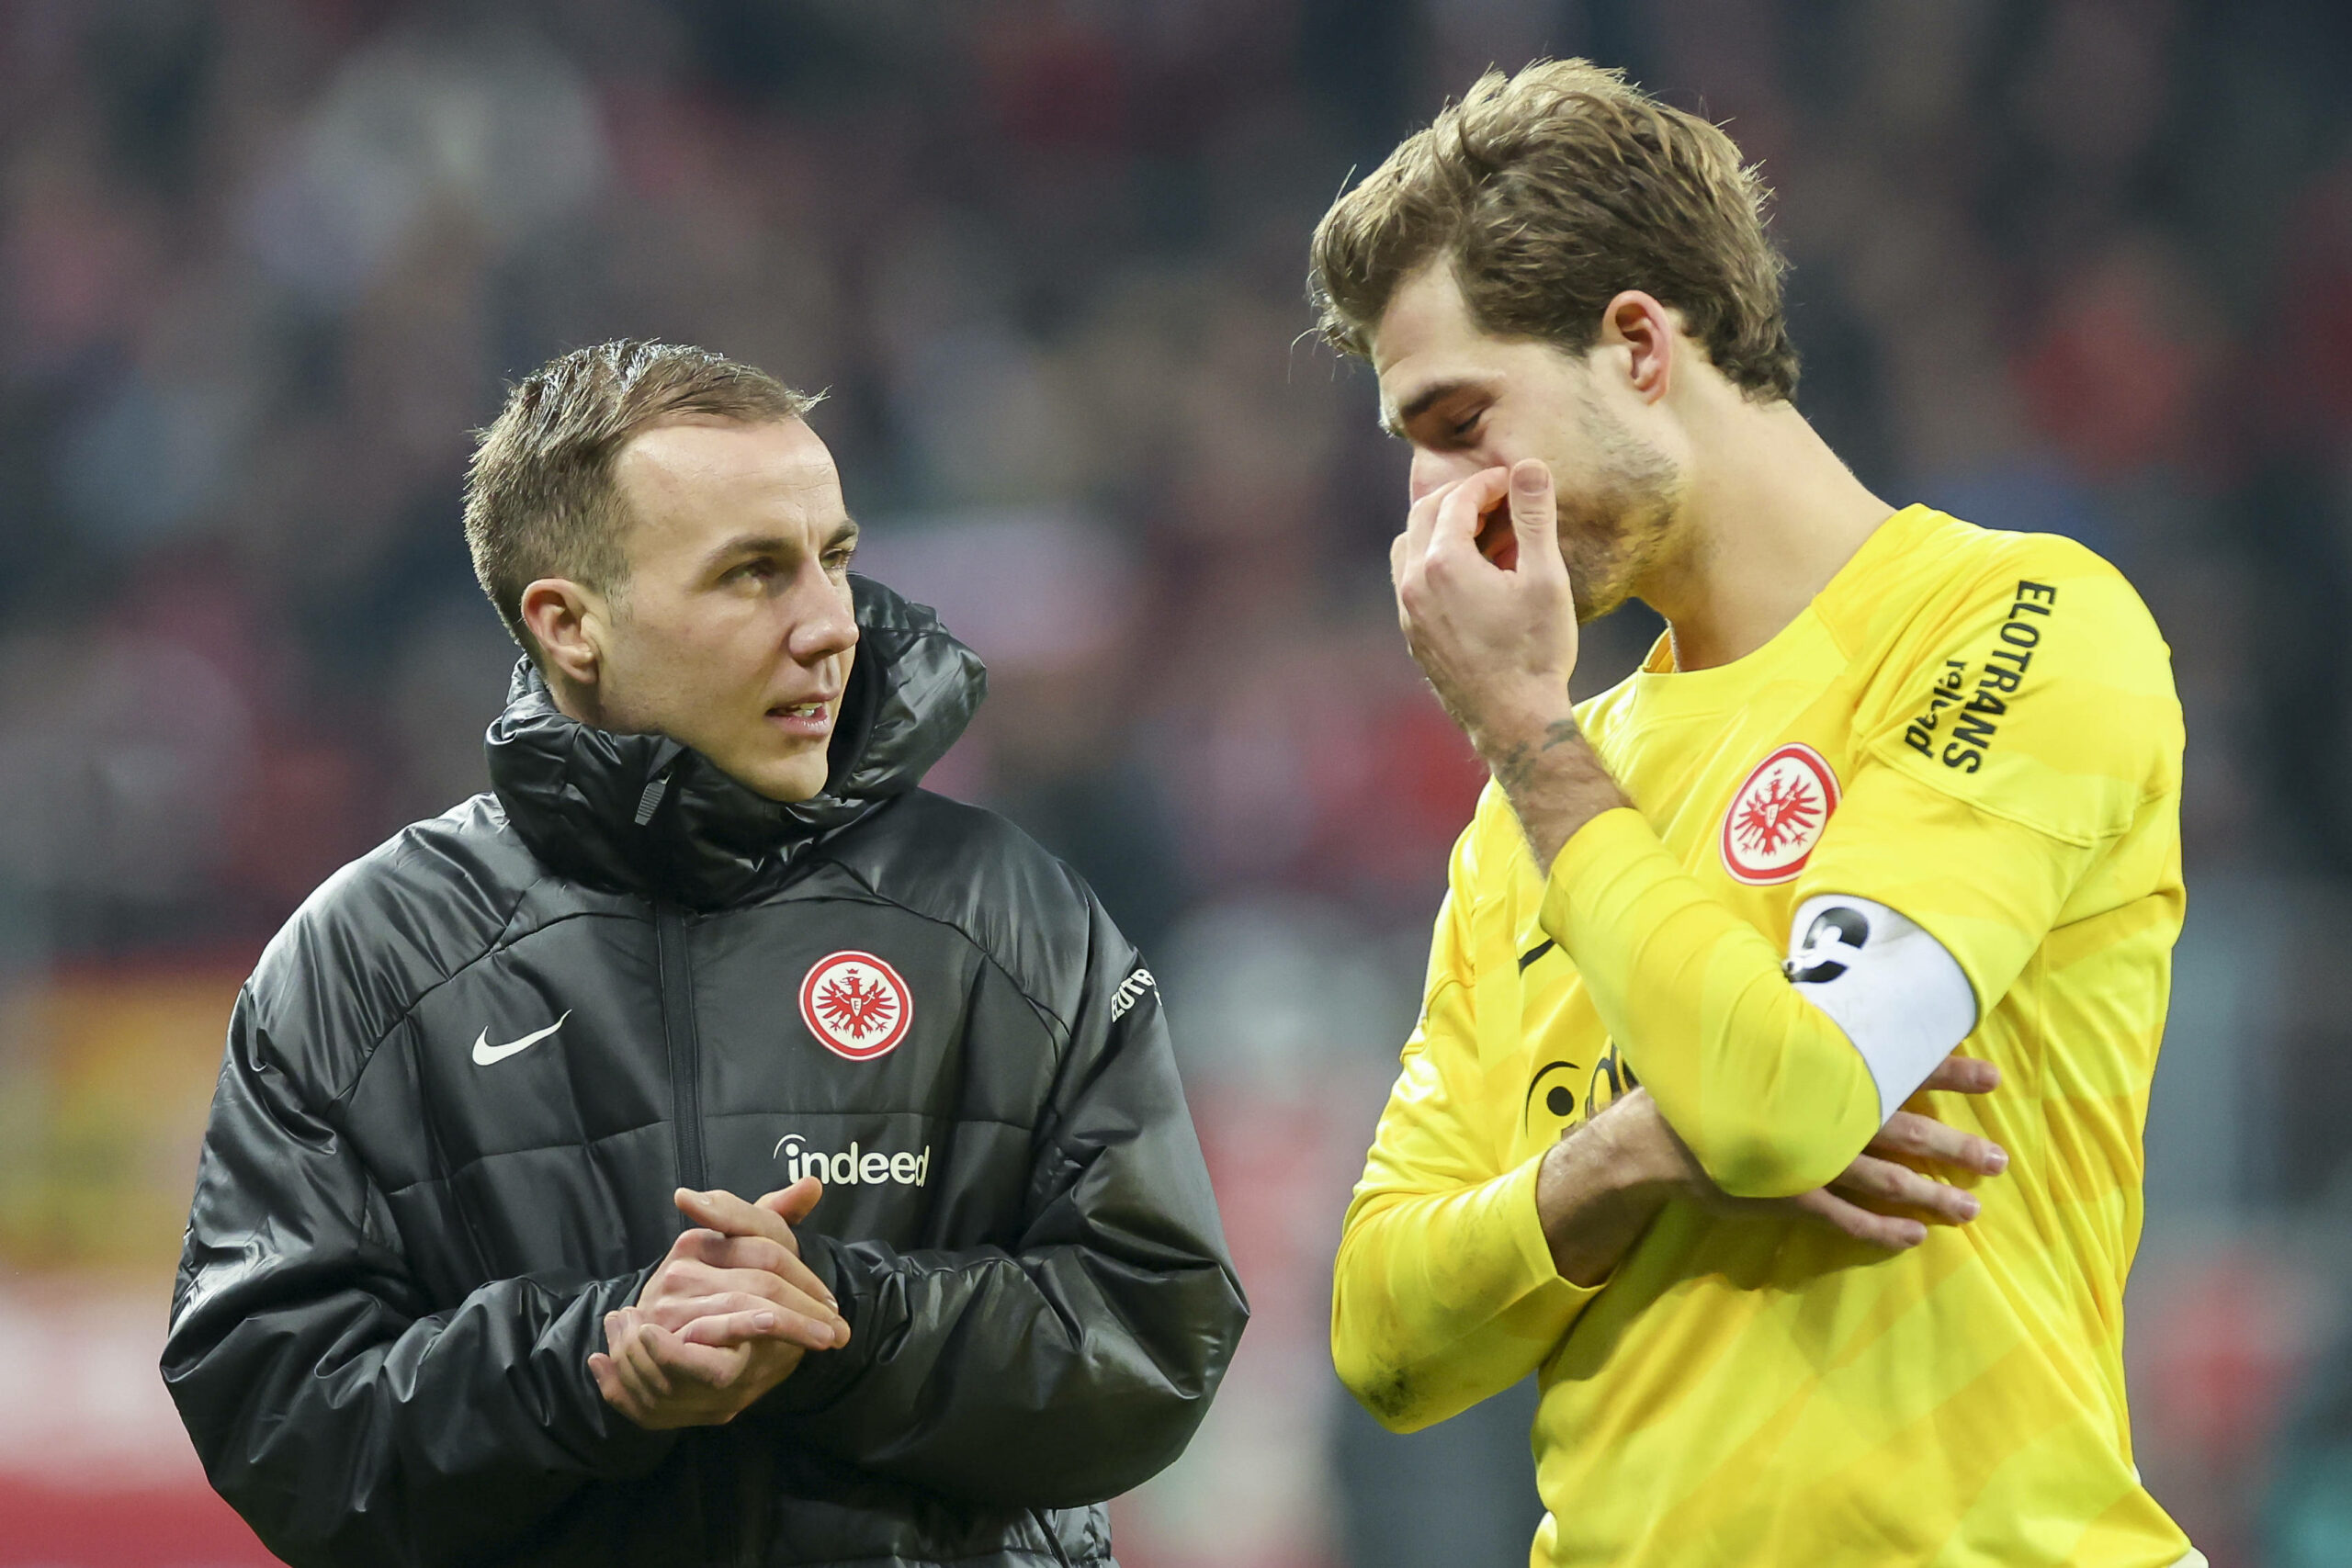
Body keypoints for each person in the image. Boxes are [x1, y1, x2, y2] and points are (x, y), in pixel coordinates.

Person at [161, 341, 1247, 1568]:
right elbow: (273, 1416)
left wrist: (844, 1323)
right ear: (570, 624)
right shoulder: (364, 962)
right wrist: (593, 1368)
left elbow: (1160, 1338)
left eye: (834, 559)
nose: (831, 626)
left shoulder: (1012, 918)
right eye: (753, 575)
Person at [1313, 61, 2198, 1567]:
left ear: (1640, 344)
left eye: (1460, 421)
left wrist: (1525, 733)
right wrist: (1628, 1157)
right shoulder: (1539, 796)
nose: (1429, 503)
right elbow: (1385, 1335)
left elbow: (1784, 1106)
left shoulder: (2020, 625)